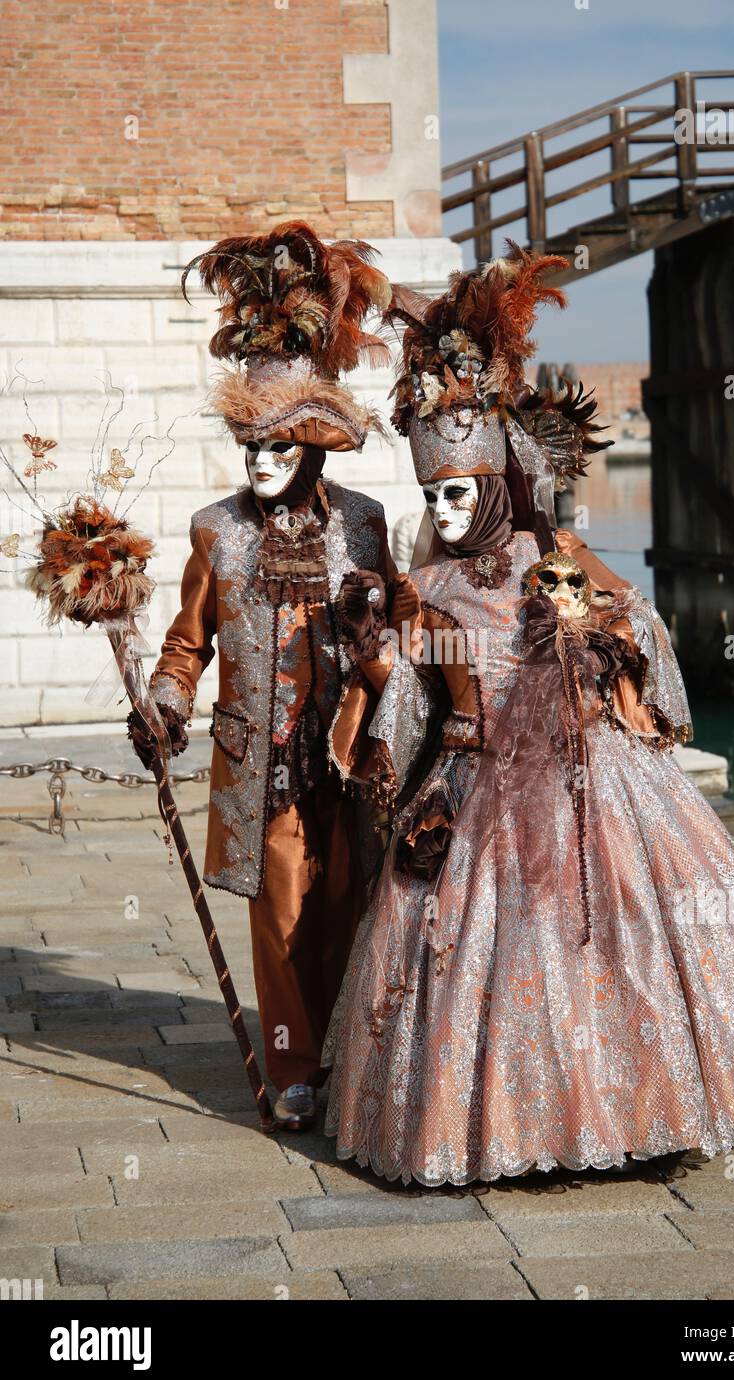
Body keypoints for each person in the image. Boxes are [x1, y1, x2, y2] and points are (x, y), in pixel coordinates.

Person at [322, 246, 734, 1185]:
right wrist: (379, 661)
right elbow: (419, 688)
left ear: (492, 485)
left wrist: (601, 637)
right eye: (432, 495)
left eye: (460, 493)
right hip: (472, 789)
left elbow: (638, 618)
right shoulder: (427, 586)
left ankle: (647, 1106)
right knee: (500, 957)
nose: (444, 513)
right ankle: (518, 1124)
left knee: (620, 938)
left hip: (587, 777)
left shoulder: (551, 553)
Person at [130, 221, 396, 1130]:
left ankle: (348, 1058)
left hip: (349, 756)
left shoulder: (364, 522)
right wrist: (164, 708)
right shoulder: (217, 530)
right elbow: (186, 644)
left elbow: (394, 635)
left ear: (313, 449)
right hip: (263, 766)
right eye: (251, 448)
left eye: (279, 449)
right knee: (281, 918)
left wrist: (380, 646)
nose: (261, 463)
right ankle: (293, 1067)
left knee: (348, 907)